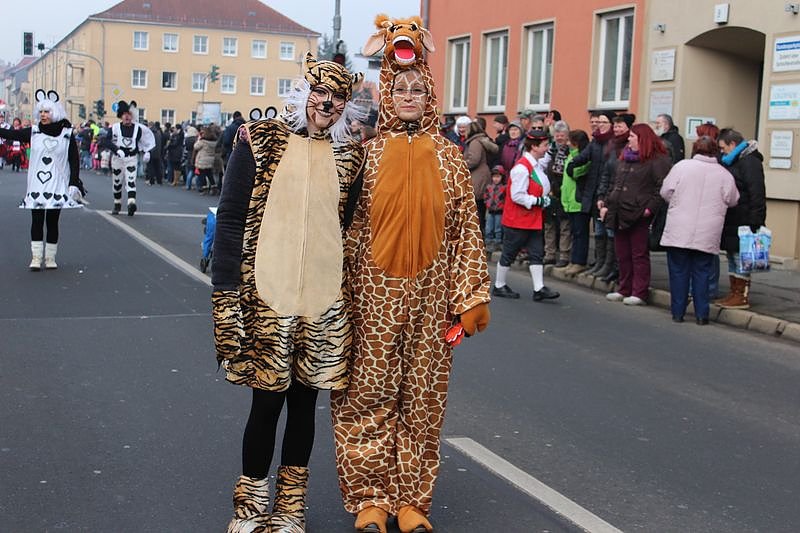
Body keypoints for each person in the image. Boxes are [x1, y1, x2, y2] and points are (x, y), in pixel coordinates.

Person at [331, 15, 491, 533]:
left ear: (430, 97)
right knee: (367, 394)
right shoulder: (365, 154)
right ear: (385, 93)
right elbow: (342, 226)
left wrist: (470, 296)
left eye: (417, 89)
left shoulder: (448, 158)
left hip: (432, 299)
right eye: (399, 89)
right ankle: (370, 499)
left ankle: (411, 500)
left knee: (422, 398)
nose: (408, 96)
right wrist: (333, 291)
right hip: (371, 298)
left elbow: (466, 230)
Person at [211, 52, 365, 532]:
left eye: (338, 98)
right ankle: (251, 506)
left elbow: (350, 228)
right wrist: (225, 290)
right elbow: (232, 216)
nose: (328, 104)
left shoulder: (350, 156)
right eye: (321, 93)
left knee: (304, 406)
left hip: (321, 301)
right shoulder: (259, 140)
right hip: (267, 297)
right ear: (305, 91)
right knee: (265, 404)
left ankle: (290, 509)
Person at [0, 89, 85, 269]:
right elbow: (10, 135)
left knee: (52, 222)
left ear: (55, 113)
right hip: (37, 185)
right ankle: (36, 258)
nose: (43, 115)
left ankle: (50, 258)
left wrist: (73, 183)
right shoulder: (34, 131)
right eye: (41, 112)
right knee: (37, 220)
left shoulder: (66, 134)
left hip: (57, 186)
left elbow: (74, 160)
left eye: (47, 112)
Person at [660, 136, 739, 324]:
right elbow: (733, 199)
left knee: (678, 271)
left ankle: (678, 312)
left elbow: (665, 191)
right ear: (715, 151)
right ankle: (702, 314)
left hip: (679, 227)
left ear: (695, 149)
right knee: (702, 272)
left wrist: (678, 203)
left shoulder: (681, 167)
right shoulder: (724, 174)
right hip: (708, 230)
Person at [602, 124, 672, 305]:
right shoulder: (624, 157)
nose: (629, 139)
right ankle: (624, 288)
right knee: (622, 253)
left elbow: (661, 188)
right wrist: (608, 202)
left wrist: (649, 209)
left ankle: (639, 291)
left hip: (639, 213)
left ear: (643, 139)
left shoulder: (657, 160)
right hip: (619, 211)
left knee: (638, 254)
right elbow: (614, 182)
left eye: (632, 136)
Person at [492, 129, 560, 301]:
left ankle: (539, 289)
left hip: (532, 219)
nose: (546, 149)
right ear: (535, 147)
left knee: (537, 253)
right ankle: (499, 285)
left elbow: (546, 161)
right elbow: (516, 195)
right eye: (544, 146)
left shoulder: (534, 164)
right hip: (518, 220)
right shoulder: (522, 168)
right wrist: (540, 201)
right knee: (509, 253)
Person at [715, 128, 767, 310]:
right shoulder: (733, 161)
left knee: (741, 258)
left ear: (733, 144)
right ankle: (733, 292)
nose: (721, 152)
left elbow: (756, 192)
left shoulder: (749, 162)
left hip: (744, 218)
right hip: (733, 218)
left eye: (723, 148)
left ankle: (741, 295)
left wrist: (756, 220)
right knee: (732, 256)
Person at [591, 113, 634, 281]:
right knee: (602, 230)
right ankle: (603, 264)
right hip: (608, 193)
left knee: (612, 233)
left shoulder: (628, 147)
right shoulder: (611, 145)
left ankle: (613, 268)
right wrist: (601, 195)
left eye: (619, 126)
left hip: (619, 196)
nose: (616, 129)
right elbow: (605, 173)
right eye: (615, 126)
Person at [99, 100, 155, 215]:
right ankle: (117, 203)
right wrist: (116, 149)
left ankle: (131, 203)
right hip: (118, 158)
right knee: (117, 182)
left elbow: (145, 141)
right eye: (125, 114)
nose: (127, 117)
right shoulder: (114, 128)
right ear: (121, 116)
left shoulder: (138, 129)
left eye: (129, 114)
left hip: (131, 158)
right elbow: (105, 141)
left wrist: (147, 152)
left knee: (131, 180)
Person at [559, 129, 592, 274]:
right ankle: (574, 260)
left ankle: (579, 261)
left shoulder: (582, 157)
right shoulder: (571, 156)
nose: (567, 143)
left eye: (569, 141)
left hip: (578, 200)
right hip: (569, 200)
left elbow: (574, 173)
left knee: (580, 233)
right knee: (574, 232)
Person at [544, 120, 572, 268]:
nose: (559, 138)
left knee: (564, 225)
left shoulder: (570, 150)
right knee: (549, 223)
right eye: (557, 135)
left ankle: (564, 255)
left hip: (565, 191)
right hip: (551, 189)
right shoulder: (551, 150)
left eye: (562, 135)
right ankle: (549, 254)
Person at [464, 120, 498, 239]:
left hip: (477, 177)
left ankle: (477, 236)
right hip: (482, 175)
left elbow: (474, 160)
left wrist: (461, 164)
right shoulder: (481, 140)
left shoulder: (474, 143)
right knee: (479, 208)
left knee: (477, 207)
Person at [484, 165, 506, 251]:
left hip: (499, 211)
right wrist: (487, 203)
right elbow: (486, 196)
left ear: (502, 177)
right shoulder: (489, 187)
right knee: (488, 227)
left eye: (498, 177)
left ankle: (498, 242)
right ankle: (488, 242)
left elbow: (505, 199)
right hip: (490, 211)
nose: (495, 179)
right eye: (494, 177)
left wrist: (502, 205)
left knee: (498, 228)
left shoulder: (504, 188)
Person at [192, 125, 218, 195]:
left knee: (202, 175)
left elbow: (195, 147)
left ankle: (204, 189)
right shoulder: (214, 141)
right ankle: (214, 188)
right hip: (210, 159)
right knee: (209, 174)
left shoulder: (203, 141)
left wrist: (199, 138)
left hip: (202, 160)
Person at [146, 121, 164, 185]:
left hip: (151, 151)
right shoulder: (158, 132)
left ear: (149, 125)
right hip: (158, 152)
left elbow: (147, 142)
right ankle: (159, 181)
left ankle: (151, 181)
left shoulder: (149, 132)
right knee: (157, 167)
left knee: (150, 167)